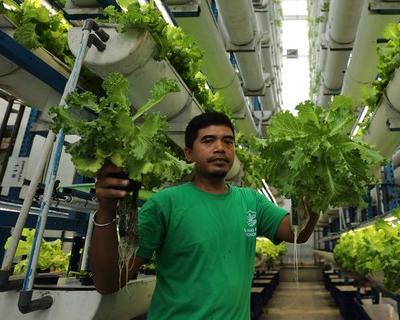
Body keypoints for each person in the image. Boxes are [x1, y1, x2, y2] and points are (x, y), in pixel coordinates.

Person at [90, 111, 319, 319]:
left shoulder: (252, 202)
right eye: (208, 141)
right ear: (188, 153)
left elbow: (296, 231)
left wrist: (316, 191)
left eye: (227, 142)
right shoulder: (164, 204)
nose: (220, 148)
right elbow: (110, 281)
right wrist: (106, 211)